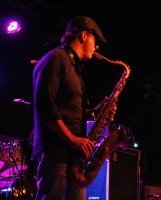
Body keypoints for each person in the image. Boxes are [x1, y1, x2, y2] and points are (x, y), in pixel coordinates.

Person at [32, 16, 116, 200]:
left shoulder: (74, 68)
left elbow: (69, 111)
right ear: (84, 35)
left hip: (74, 158)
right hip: (56, 154)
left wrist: (100, 111)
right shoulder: (56, 58)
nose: (97, 47)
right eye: (96, 40)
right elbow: (45, 106)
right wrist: (72, 139)